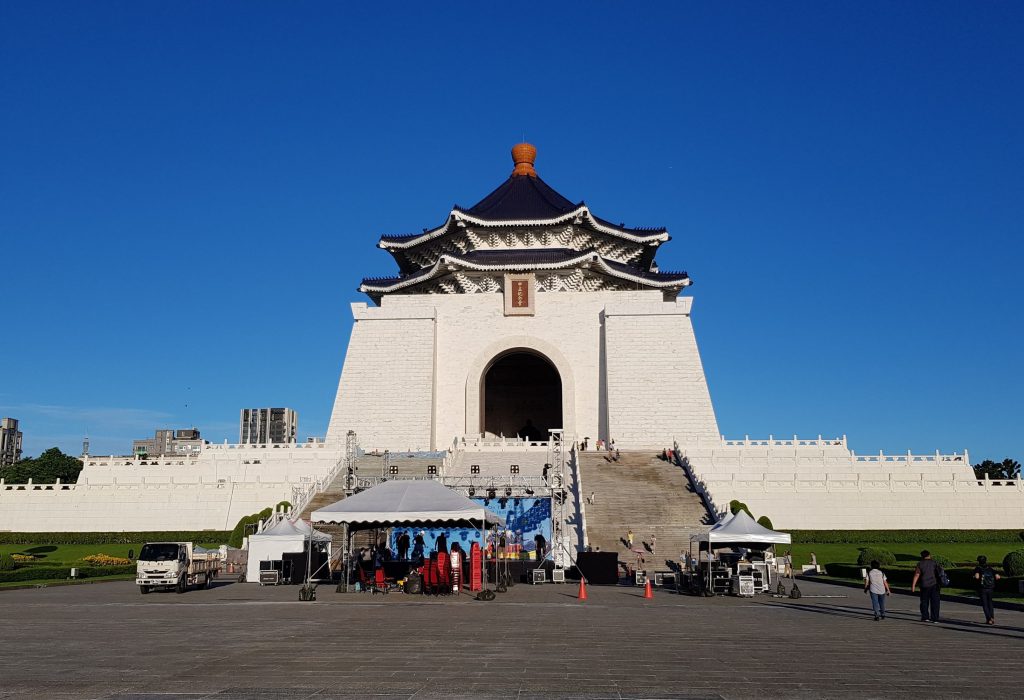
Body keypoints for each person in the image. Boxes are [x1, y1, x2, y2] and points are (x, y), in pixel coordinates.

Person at [911, 550, 941, 623]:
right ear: (929, 555)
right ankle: (935, 618)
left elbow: (917, 575)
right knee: (935, 602)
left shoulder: (920, 564)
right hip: (934, 584)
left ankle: (925, 617)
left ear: (922, 556)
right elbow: (939, 573)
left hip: (924, 585)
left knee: (924, 602)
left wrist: (913, 586)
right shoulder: (934, 563)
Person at [973, 555, 1001, 625]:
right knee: (990, 603)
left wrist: (974, 577)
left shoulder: (978, 568)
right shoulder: (990, 568)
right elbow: (998, 577)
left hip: (982, 588)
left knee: (985, 604)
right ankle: (992, 617)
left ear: (979, 561)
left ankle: (989, 619)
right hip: (990, 588)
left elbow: (977, 577)